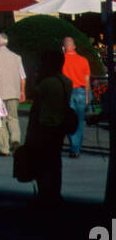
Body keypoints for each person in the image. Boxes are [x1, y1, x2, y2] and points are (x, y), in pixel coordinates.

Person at [25, 48, 73, 210]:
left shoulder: (46, 83)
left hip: (45, 126)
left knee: (43, 162)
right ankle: (55, 193)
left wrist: (34, 76)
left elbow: (35, 96)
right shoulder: (67, 82)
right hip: (60, 126)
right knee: (55, 162)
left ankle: (45, 194)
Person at [0, 32, 26, 156]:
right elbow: (23, 77)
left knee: (1, 121)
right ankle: (16, 140)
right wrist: (22, 91)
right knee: (13, 118)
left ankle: (4, 148)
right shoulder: (16, 57)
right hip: (13, 92)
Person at [61, 37, 90, 158]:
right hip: (81, 91)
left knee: (69, 121)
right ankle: (77, 148)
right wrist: (87, 95)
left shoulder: (62, 60)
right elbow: (87, 79)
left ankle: (74, 146)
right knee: (79, 121)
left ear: (63, 48)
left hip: (67, 92)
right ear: (74, 47)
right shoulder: (83, 60)